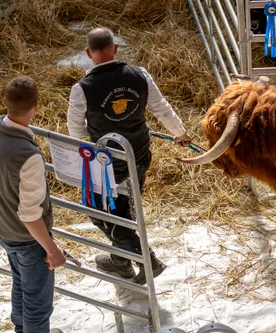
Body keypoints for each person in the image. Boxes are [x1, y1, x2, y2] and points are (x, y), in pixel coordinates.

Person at [0, 76, 80, 333]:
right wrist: (52, 250)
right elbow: (31, 215)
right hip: (26, 237)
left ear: (4, 102)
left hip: (1, 225)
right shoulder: (29, 157)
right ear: (36, 107)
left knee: (21, 286)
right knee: (37, 302)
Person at [66, 28, 188, 283]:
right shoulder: (140, 75)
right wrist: (180, 133)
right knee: (127, 207)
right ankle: (121, 261)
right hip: (139, 154)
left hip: (105, 161)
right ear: (116, 48)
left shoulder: (81, 89)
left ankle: (147, 259)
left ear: (89, 54)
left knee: (99, 212)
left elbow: (75, 131)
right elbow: (161, 109)